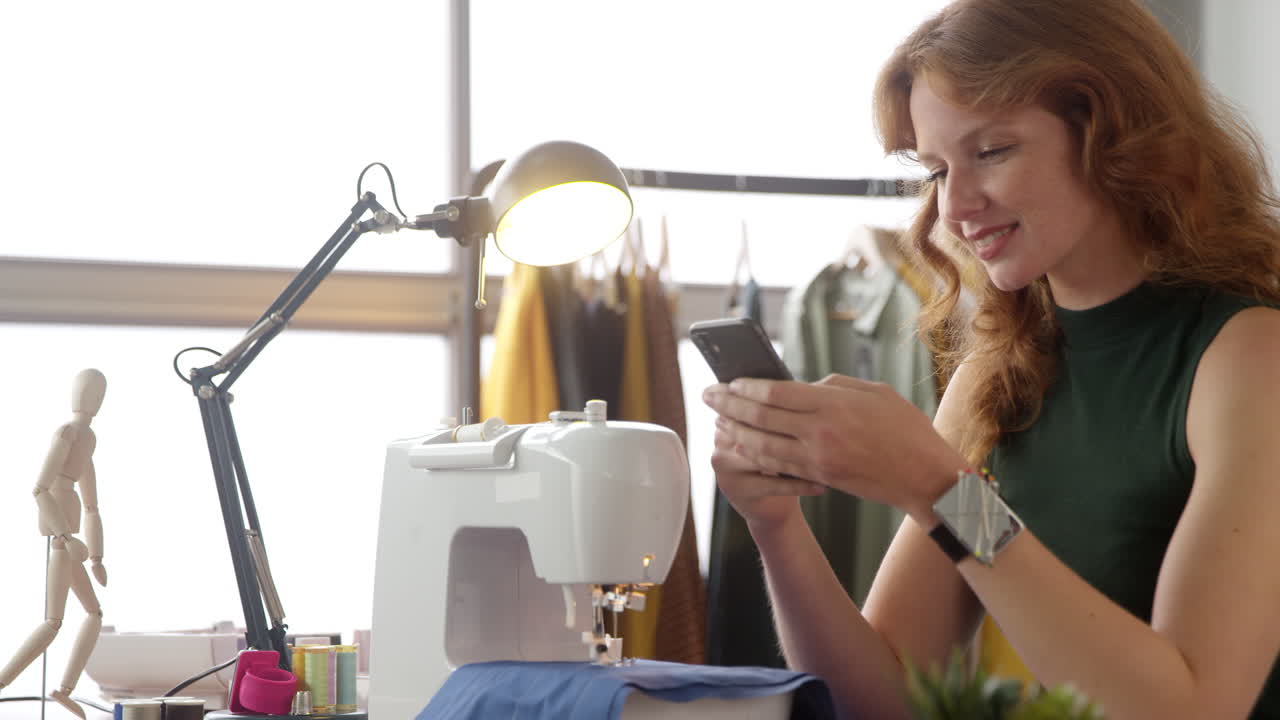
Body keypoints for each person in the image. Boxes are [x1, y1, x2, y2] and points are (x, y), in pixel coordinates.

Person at [700, 1, 1280, 718]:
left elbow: (1193, 709)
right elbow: (887, 698)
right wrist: (777, 525)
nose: (956, 206)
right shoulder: (1000, 374)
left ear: (1112, 131)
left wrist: (943, 493)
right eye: (939, 168)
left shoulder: (1251, 356)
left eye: (992, 151)